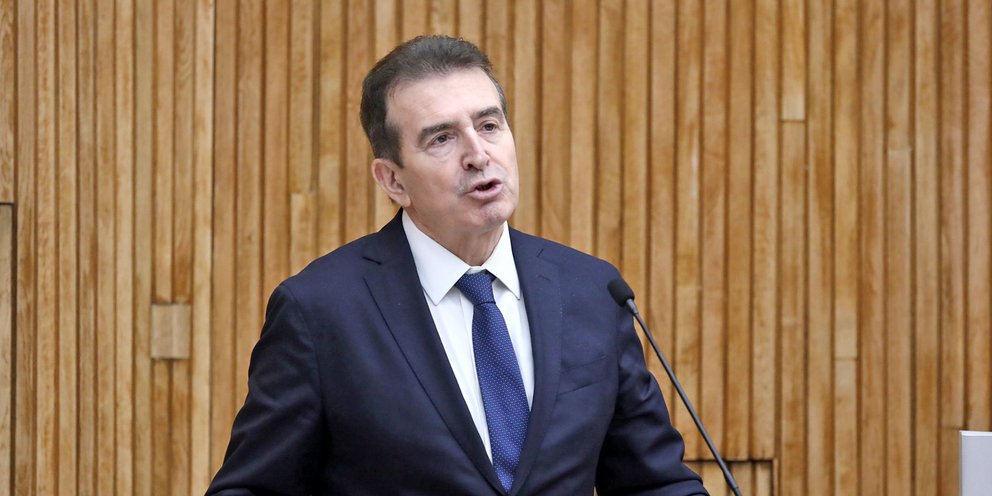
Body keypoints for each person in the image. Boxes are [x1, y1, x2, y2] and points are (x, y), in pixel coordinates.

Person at [207, 35, 707, 496]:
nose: (478, 154)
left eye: (489, 126)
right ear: (393, 180)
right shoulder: (320, 312)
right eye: (442, 139)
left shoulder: (592, 291)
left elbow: (656, 484)